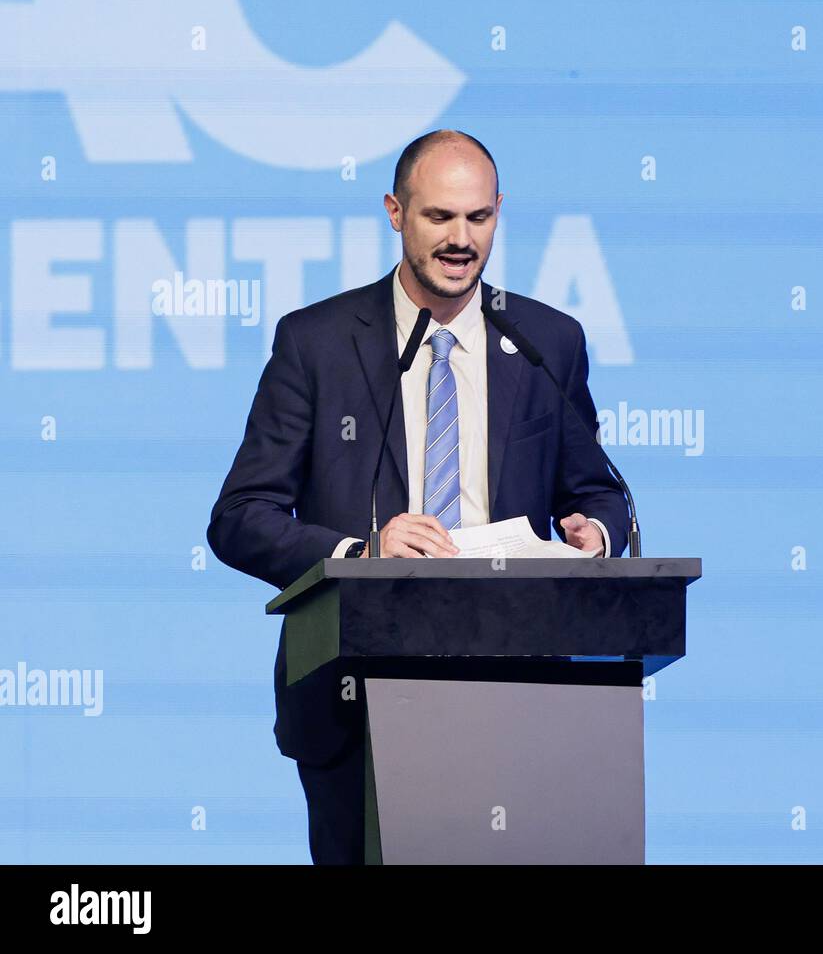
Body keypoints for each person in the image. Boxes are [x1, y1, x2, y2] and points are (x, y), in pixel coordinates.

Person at [206, 129, 630, 864]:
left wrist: (597, 530)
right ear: (395, 213)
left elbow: (597, 487)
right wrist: (360, 553)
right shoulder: (317, 342)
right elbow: (240, 518)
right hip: (355, 695)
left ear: (499, 211)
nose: (461, 240)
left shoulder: (546, 341)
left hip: (518, 690)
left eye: (478, 219)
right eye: (439, 218)